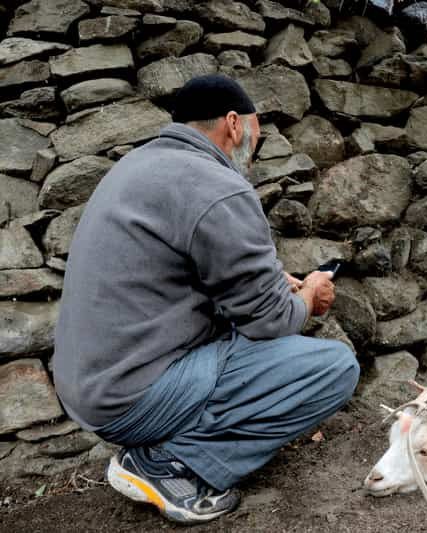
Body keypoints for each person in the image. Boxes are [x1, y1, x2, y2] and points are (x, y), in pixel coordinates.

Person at [53, 74, 360, 524]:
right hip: (132, 396)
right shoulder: (219, 185)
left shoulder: (135, 166)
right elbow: (270, 324)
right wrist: (309, 298)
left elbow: (182, 269)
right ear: (234, 125)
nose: (253, 151)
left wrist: (274, 282)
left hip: (87, 390)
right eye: (255, 134)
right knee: (333, 367)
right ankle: (173, 465)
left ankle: (162, 445)